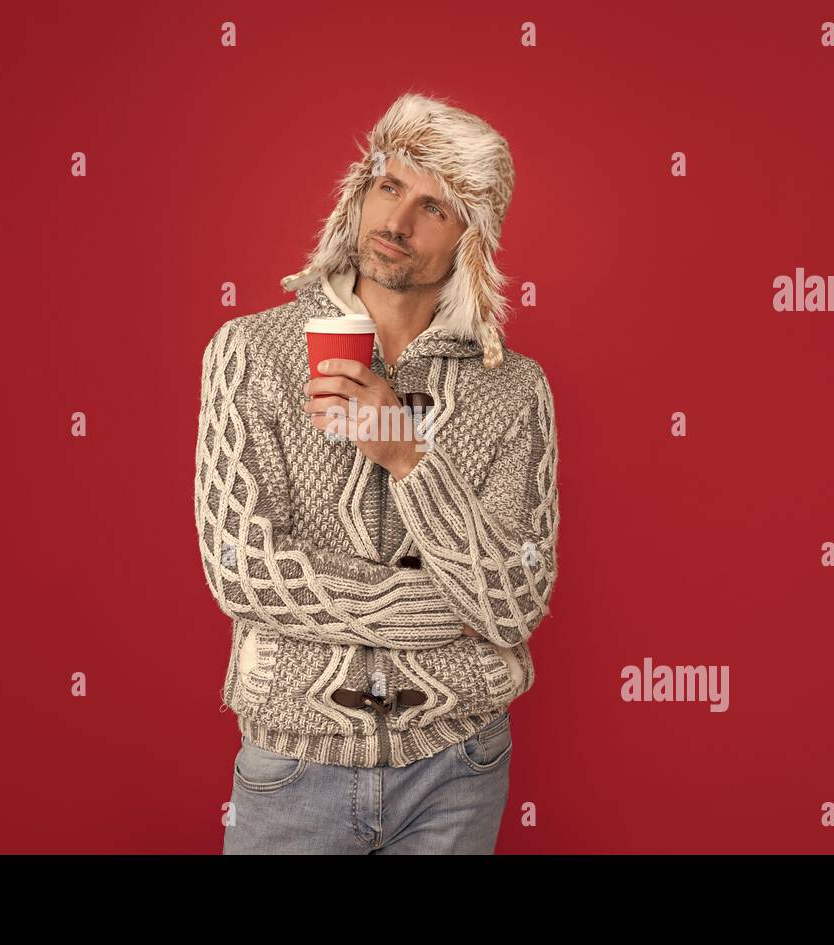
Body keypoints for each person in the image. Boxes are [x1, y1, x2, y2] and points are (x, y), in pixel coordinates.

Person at [194, 91, 560, 854]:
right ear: (360, 193)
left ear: (473, 239)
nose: (396, 223)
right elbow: (245, 573)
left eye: (434, 207)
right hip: (294, 764)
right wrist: (442, 615)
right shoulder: (248, 352)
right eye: (389, 187)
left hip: (458, 764)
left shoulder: (515, 389)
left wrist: (403, 450)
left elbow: (514, 600)